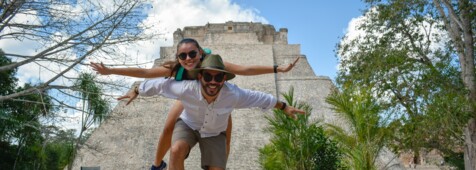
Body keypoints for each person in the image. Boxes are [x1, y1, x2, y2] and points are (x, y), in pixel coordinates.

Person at [90, 38, 300, 170]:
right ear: (178, 57)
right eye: (183, 55)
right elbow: (146, 75)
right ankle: (157, 165)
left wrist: (276, 69)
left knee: (223, 139)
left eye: (192, 54)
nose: (188, 58)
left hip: (218, 102)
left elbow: (245, 70)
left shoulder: (216, 66)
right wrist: (115, 73)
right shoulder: (176, 72)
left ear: (201, 53)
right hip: (191, 97)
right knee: (170, 127)